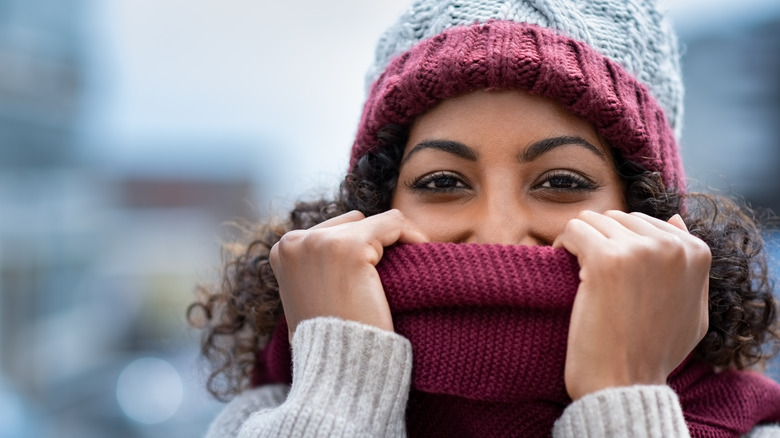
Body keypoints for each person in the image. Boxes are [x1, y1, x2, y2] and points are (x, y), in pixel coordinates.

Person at [188, 0, 780, 436]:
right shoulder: (264, 418)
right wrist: (339, 393)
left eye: (561, 182)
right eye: (443, 182)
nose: (499, 232)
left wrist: (623, 395)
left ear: (645, 211)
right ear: (372, 209)